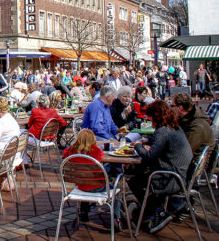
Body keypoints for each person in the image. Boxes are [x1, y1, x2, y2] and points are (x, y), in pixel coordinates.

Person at [129, 101, 193, 234]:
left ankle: (156, 212)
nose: (149, 120)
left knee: (135, 181)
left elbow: (149, 156)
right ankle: (151, 211)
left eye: (150, 117)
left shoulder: (163, 131)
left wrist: (138, 145)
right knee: (142, 175)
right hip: (183, 174)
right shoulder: (174, 127)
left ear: (156, 116)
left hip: (172, 178)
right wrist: (149, 140)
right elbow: (160, 144)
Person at [61, 129, 121, 225]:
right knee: (115, 190)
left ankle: (83, 212)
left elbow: (65, 152)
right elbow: (101, 156)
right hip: (99, 186)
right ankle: (116, 218)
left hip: (81, 186)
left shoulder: (72, 151)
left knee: (86, 181)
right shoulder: (96, 151)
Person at [170, 92, 215, 162]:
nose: (170, 109)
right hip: (186, 162)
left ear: (180, 108)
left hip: (189, 166)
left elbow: (183, 151)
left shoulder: (197, 127)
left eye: (172, 106)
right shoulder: (187, 120)